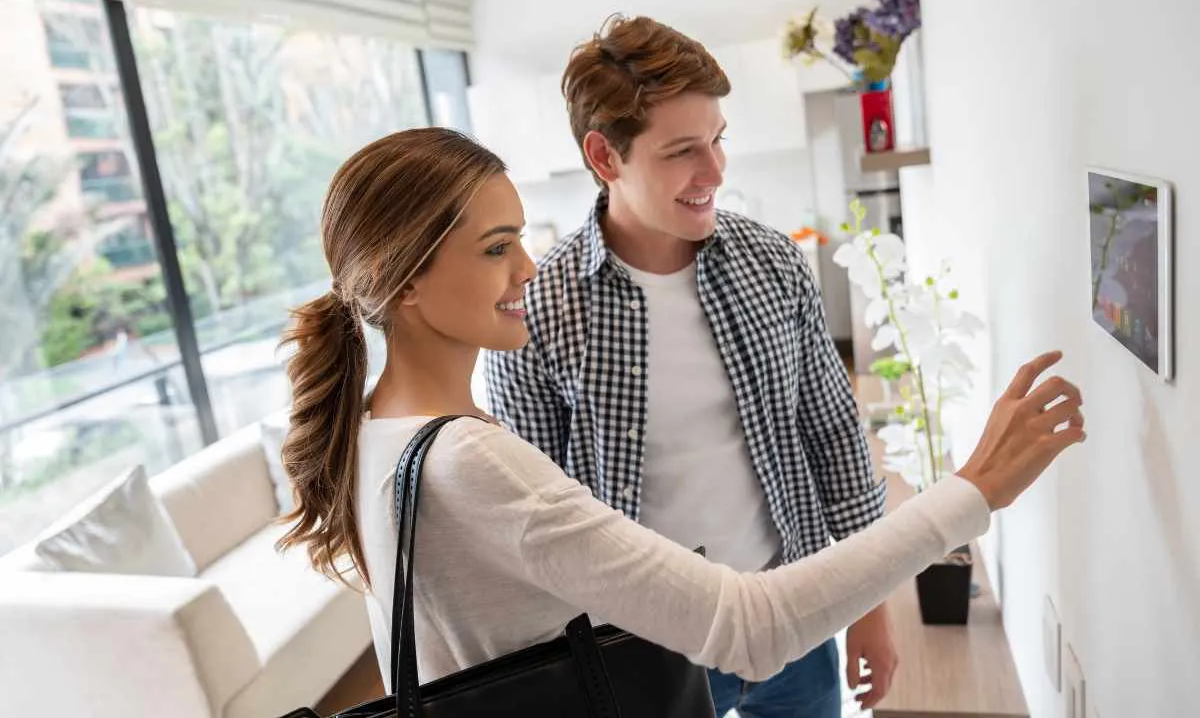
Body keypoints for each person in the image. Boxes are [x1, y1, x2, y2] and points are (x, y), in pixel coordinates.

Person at [276, 127, 1085, 707]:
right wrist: (972, 491)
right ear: (403, 282)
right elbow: (749, 625)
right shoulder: (473, 465)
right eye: (496, 248)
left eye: (520, 239)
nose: (527, 267)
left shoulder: (373, 434)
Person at [483, 14, 896, 715]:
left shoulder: (773, 261)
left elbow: (834, 435)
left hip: (789, 611)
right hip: (638, 647)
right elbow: (532, 524)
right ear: (605, 157)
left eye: (718, 140)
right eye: (682, 152)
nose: (715, 171)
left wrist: (871, 607)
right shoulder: (539, 307)